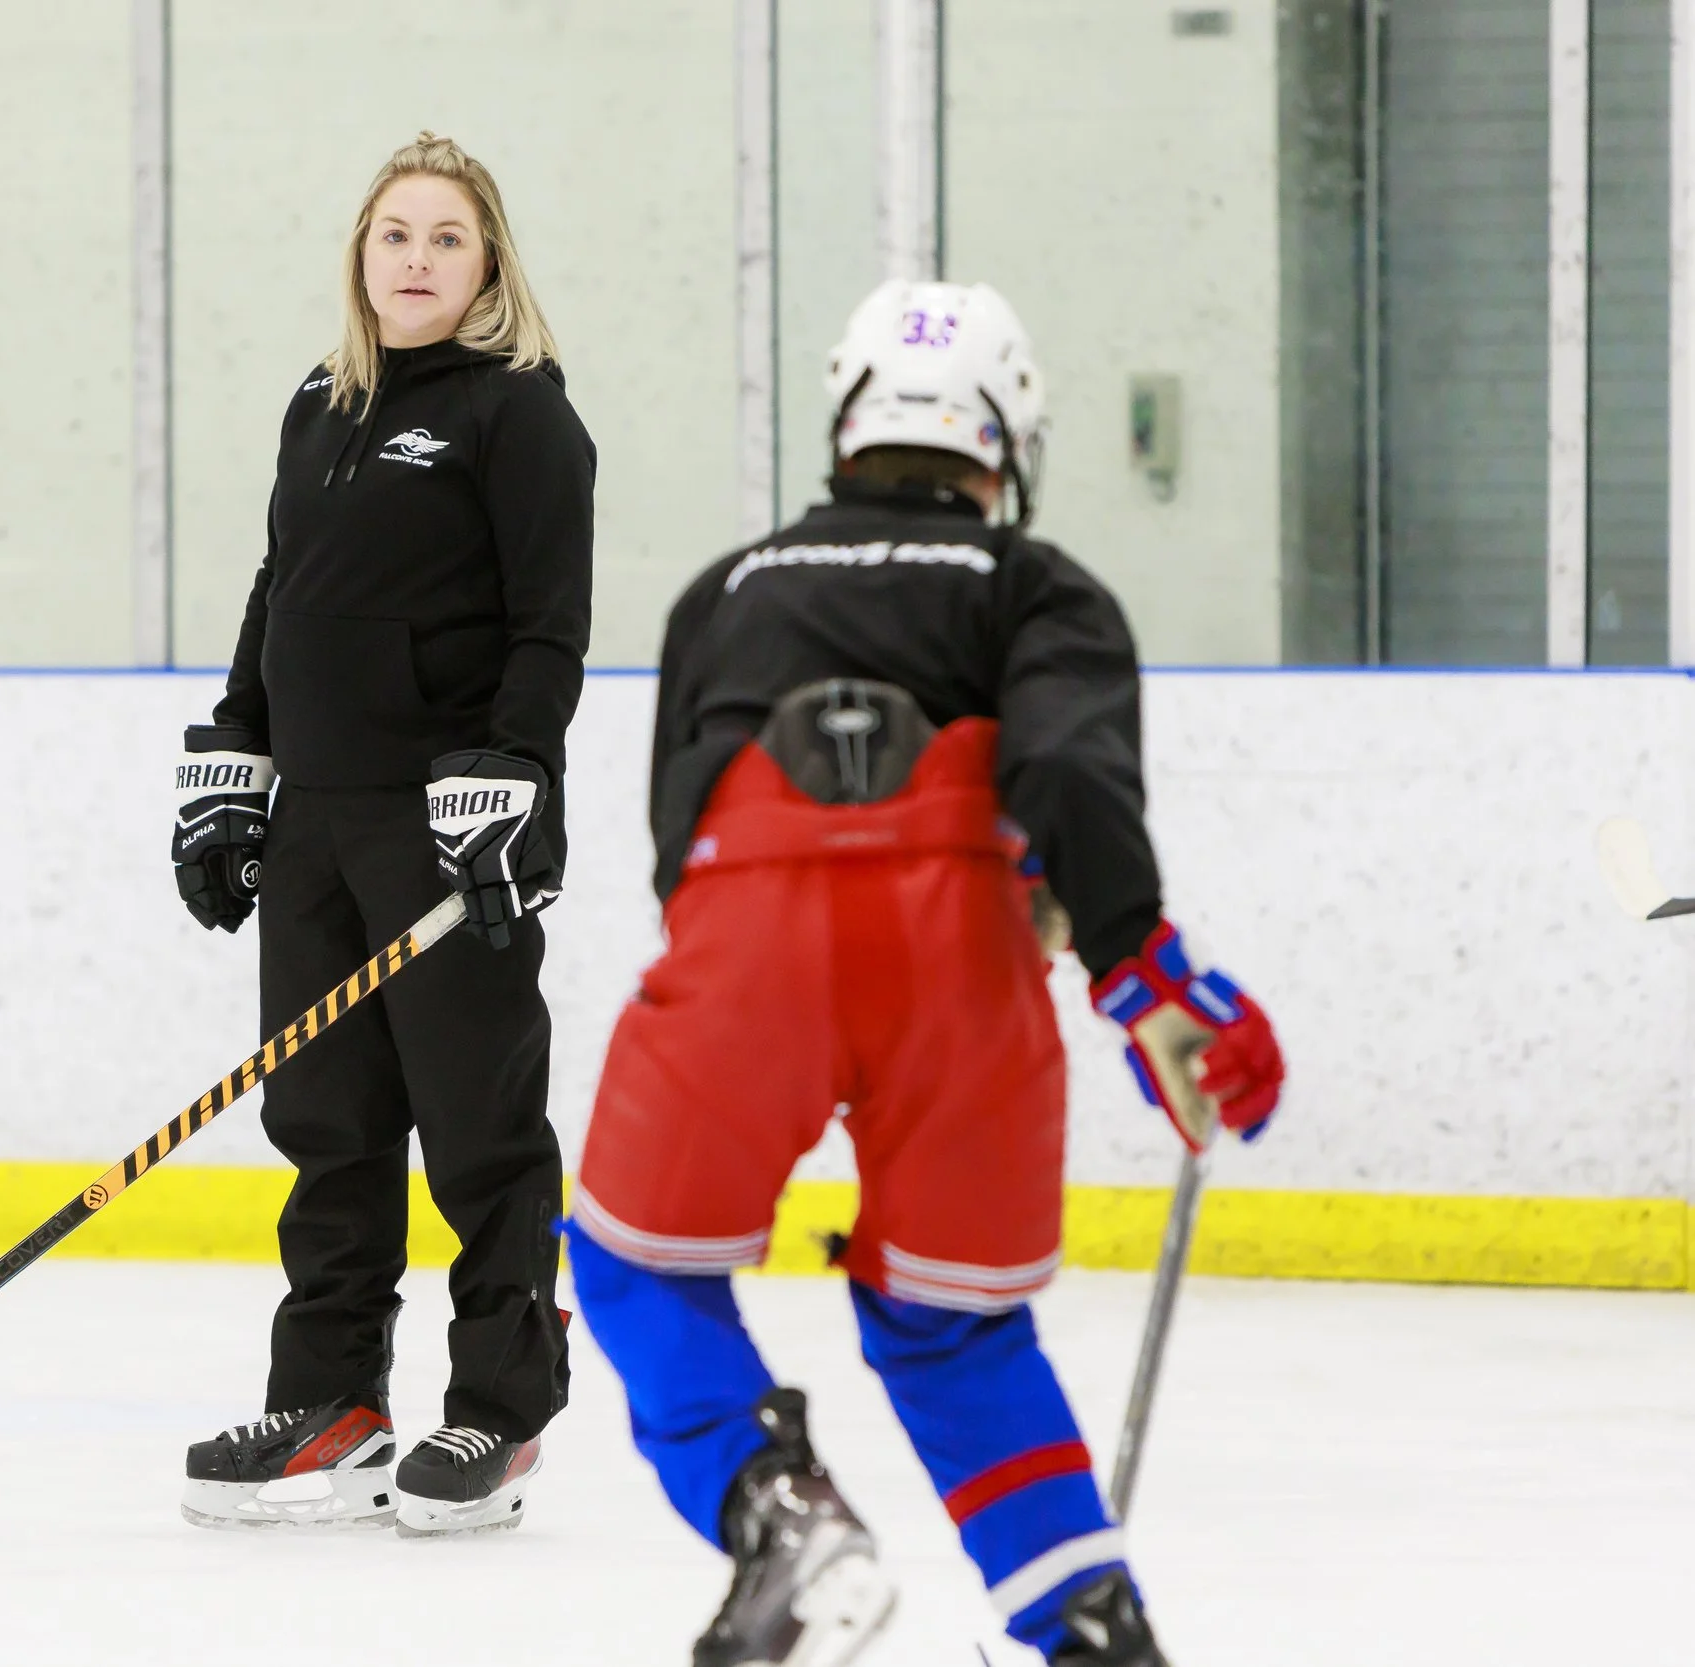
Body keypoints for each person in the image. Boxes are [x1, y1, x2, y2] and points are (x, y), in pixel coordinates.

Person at [565, 281, 1286, 1665]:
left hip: (749, 941)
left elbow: (679, 842)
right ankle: (1086, 1623)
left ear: (847, 420)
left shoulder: (721, 589)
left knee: (631, 1257)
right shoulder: (1040, 585)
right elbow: (1066, 775)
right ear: (1005, 446)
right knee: (951, 1322)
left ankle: (783, 1517)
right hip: (960, 966)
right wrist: (1146, 976)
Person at [169, 132, 595, 1537]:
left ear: (489, 264)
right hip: (318, 823)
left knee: (480, 1129)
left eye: (446, 238)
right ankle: (334, 1404)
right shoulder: (322, 400)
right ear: (363, 255)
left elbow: (549, 623)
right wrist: (238, 751)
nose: (416, 259)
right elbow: (279, 585)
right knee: (328, 1123)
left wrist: (515, 776)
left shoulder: (518, 412)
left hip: (449, 825)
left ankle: (501, 1408)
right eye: (395, 234)